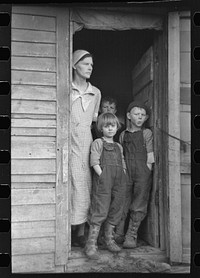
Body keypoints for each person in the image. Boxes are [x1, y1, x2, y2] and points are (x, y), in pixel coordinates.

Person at [84, 112, 127, 259]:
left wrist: (124, 174)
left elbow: (122, 161)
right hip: (104, 180)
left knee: (116, 208)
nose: (110, 129)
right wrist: (102, 175)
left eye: (113, 126)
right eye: (106, 126)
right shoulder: (98, 143)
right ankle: (91, 243)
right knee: (100, 208)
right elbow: (94, 161)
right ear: (101, 128)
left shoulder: (118, 146)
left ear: (117, 127)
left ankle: (109, 239)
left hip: (119, 180)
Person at [71, 49, 101, 247]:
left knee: (85, 184)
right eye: (85, 63)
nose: (90, 67)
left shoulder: (96, 92)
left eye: (91, 64)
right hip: (67, 140)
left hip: (85, 142)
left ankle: (81, 231)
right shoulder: (67, 88)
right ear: (74, 65)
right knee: (69, 185)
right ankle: (68, 229)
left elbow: (93, 122)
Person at [114, 100, 154, 249]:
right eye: (136, 114)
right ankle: (118, 233)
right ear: (129, 116)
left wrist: (148, 169)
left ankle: (131, 235)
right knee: (123, 200)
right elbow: (120, 154)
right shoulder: (123, 135)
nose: (140, 117)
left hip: (142, 171)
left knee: (139, 202)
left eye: (143, 115)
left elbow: (150, 154)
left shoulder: (146, 133)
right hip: (126, 171)